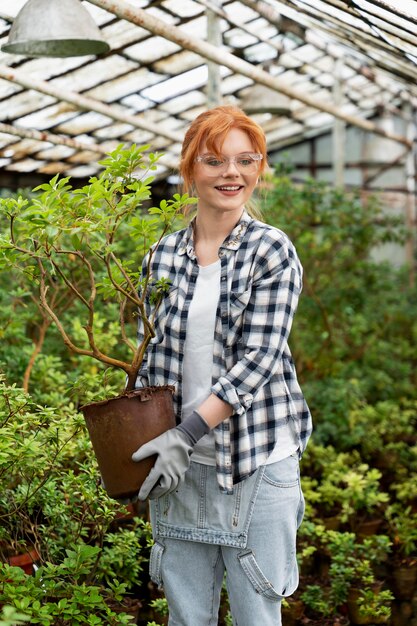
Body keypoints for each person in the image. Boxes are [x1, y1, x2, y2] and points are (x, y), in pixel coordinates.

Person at [132, 105, 312, 626]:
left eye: (245, 160)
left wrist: (183, 434)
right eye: (214, 161)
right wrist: (144, 442)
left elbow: (260, 357)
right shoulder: (162, 256)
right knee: (188, 616)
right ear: (190, 170)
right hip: (180, 467)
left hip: (255, 462)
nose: (231, 173)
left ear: (259, 168)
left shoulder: (271, 250)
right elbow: (151, 359)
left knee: (257, 612)